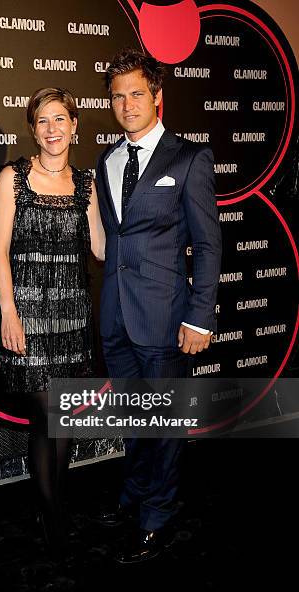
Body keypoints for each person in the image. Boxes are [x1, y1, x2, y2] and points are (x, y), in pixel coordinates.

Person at [95, 49, 222, 563]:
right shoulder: (107, 160)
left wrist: (200, 314)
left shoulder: (189, 158)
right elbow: (112, 241)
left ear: (157, 97)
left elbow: (209, 245)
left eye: (137, 94)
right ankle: (134, 495)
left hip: (168, 319)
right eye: (118, 96)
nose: (127, 105)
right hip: (116, 315)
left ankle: (159, 515)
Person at [0, 87, 105, 555]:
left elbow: (100, 247)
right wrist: (9, 312)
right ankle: (53, 512)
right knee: (47, 413)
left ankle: (55, 504)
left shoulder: (87, 185)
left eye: (60, 119)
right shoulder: (13, 177)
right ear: (33, 128)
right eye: (43, 121)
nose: (52, 129)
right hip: (30, 314)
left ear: (75, 126)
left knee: (64, 417)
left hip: (73, 315)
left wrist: (157, 244)